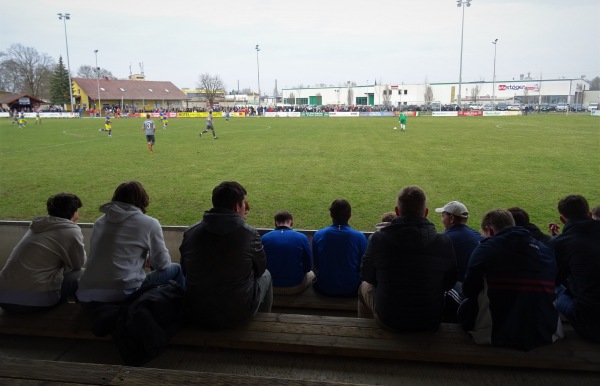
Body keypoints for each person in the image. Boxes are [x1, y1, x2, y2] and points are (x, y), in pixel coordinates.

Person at [459, 209, 563, 350]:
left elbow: (469, 290)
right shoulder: (545, 250)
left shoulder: (486, 249)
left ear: (489, 231)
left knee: (463, 303)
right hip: (546, 332)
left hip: (497, 333)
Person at [359, 186, 457, 332]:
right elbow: (450, 282)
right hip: (429, 319)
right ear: (426, 213)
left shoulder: (378, 239)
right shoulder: (444, 242)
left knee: (363, 287)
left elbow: (366, 275)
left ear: (397, 212)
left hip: (390, 319)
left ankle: (364, 333)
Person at [180, 181, 272, 329]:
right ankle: (264, 322)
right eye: (243, 204)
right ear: (237, 206)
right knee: (267, 274)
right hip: (237, 315)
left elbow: (185, 270)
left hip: (196, 312)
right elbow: (260, 269)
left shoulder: (191, 232)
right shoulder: (249, 234)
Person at [77, 181, 184, 308]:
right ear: (142, 199)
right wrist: (149, 259)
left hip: (85, 295)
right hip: (123, 294)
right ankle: (185, 310)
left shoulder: (99, 222)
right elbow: (162, 263)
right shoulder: (149, 223)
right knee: (176, 269)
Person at [0, 193, 86, 313]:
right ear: (74, 213)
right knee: (83, 275)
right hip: (36, 301)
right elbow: (78, 264)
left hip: (4, 299)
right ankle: (77, 318)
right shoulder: (70, 230)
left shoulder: (37, 226)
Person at [548, 195, 600, 343]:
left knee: (556, 287)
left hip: (591, 324)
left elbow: (554, 278)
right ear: (589, 213)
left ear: (562, 219)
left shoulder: (561, 243)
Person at [312, 199, 367, 297]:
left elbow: (317, 263)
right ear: (350, 215)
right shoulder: (359, 236)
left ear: (331, 214)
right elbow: (361, 265)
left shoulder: (319, 234)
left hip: (324, 288)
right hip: (351, 289)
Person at [261, 210, 314, 295]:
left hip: (270, 286)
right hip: (295, 286)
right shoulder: (302, 237)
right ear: (291, 222)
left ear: (275, 222)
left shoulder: (264, 238)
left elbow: (261, 264)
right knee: (311, 274)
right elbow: (308, 267)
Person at [435, 201, 483, 288]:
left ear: (451, 219)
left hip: (459, 287)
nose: (441, 219)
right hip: (476, 285)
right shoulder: (478, 236)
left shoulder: (444, 239)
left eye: (443, 215)